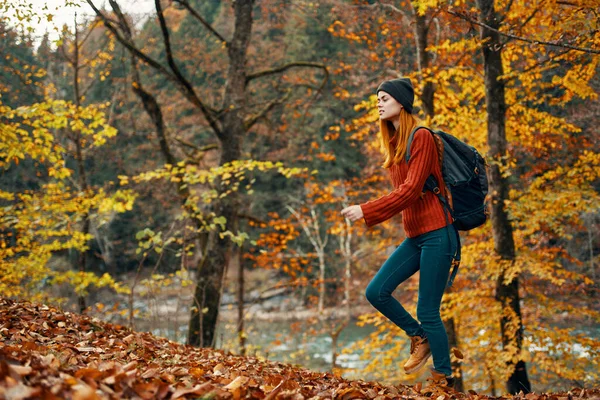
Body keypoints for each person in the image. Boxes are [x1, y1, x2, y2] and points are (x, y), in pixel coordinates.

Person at [341, 77, 457, 387]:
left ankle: (443, 381)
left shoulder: (421, 137)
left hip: (439, 233)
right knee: (376, 292)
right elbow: (405, 194)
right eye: (376, 98)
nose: (378, 102)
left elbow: (410, 192)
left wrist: (367, 210)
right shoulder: (394, 143)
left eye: (385, 97)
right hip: (417, 236)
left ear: (402, 103)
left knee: (429, 310)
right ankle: (420, 337)